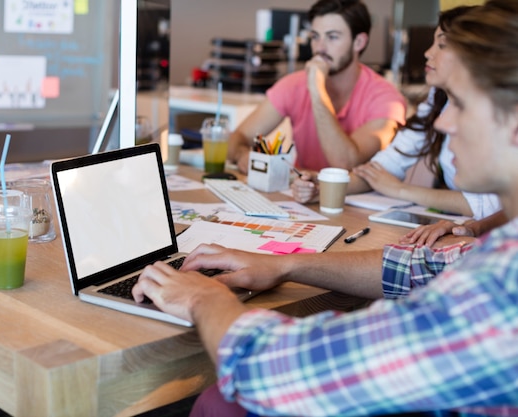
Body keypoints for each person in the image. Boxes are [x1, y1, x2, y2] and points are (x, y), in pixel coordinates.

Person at [133, 1, 518, 415]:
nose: (443, 122)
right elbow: (417, 267)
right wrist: (287, 264)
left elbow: (273, 371)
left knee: (216, 401)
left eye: (460, 103)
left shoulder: (500, 290)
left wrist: (203, 299)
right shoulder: (497, 259)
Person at [291, 5, 501, 233]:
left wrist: (399, 190)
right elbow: (383, 168)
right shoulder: (437, 100)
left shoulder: (498, 111)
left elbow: (489, 204)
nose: (427, 53)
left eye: (441, 45)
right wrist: (325, 185)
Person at [227, 0, 406, 175]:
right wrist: (243, 154)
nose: (320, 48)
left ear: (359, 42)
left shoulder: (386, 99)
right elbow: (238, 137)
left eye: (332, 37)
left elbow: (344, 164)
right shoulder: (294, 84)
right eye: (315, 36)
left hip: (358, 201)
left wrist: (317, 90)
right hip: (301, 195)